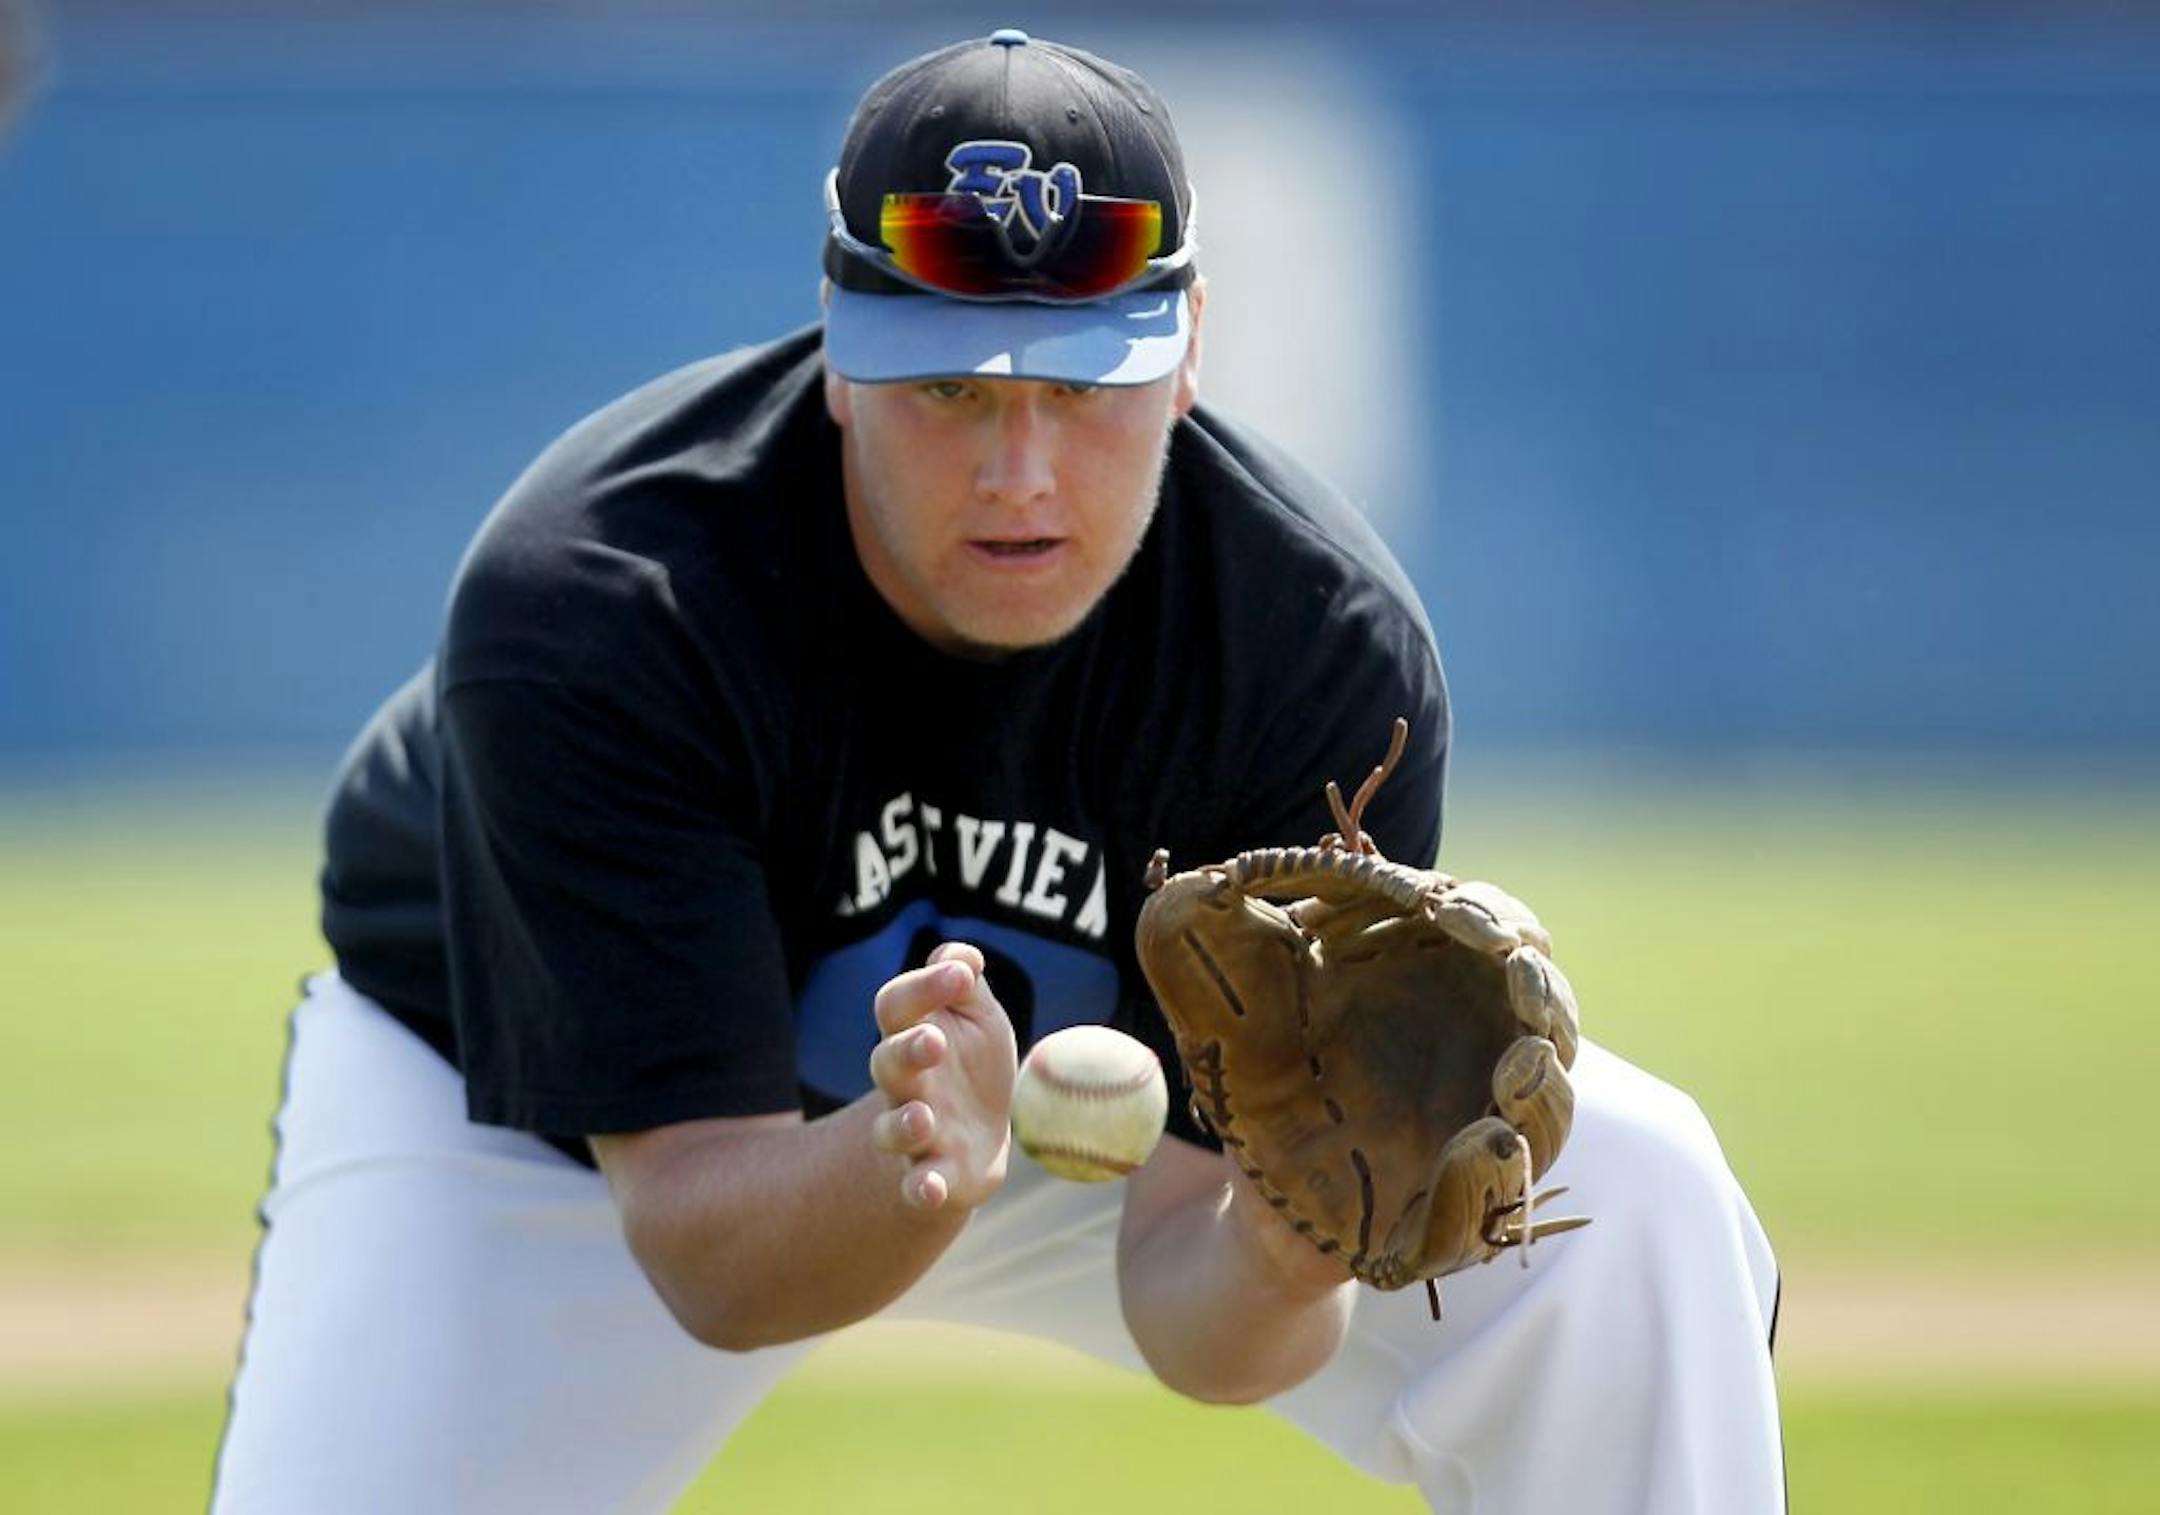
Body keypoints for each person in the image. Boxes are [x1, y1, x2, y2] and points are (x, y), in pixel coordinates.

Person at [211, 29, 1785, 1514]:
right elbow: (708, 1257)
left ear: (1183, 364)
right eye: (952, 389)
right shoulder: (608, 602)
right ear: (836, 355)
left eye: (1085, 385)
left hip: (1073, 1120)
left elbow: (1193, 1303)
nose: (1020, 471)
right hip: (558, 1125)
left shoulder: (1313, 652)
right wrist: (904, 1160)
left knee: (1634, 1203)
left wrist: (1289, 1249)